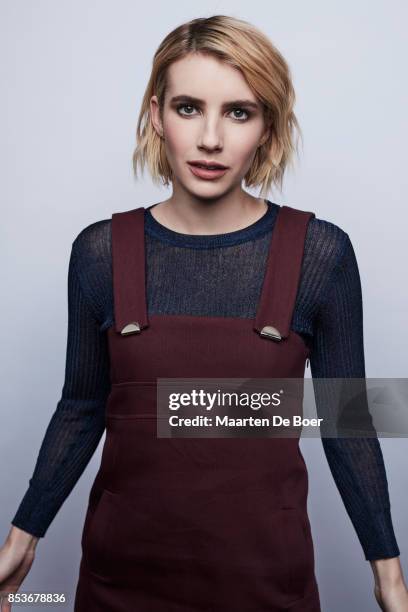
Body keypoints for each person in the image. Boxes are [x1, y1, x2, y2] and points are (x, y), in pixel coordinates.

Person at [1, 14, 407, 612]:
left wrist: (389, 577)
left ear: (268, 127)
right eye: (188, 107)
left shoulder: (322, 253)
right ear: (156, 115)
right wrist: (22, 538)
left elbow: (350, 422)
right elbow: (82, 407)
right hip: (120, 584)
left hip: (268, 584)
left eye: (239, 112)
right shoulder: (100, 252)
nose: (211, 139)